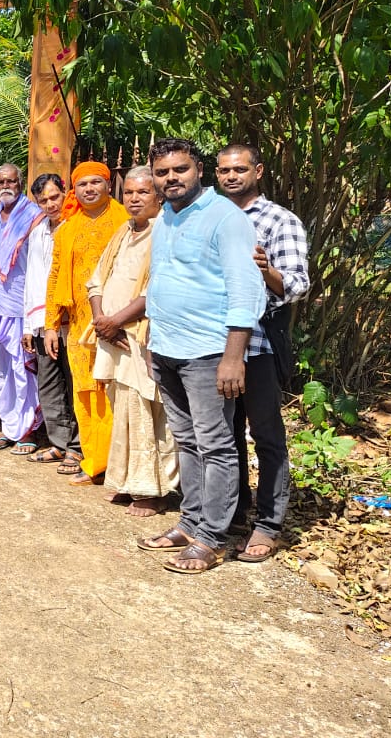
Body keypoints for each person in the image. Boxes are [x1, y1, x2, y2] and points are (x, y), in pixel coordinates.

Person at [137, 138, 265, 574]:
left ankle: (212, 537)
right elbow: (163, 280)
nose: (171, 178)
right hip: (167, 349)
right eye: (162, 172)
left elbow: (245, 288)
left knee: (216, 444)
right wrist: (153, 338)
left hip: (208, 353)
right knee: (187, 440)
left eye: (180, 170)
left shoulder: (225, 218)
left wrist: (233, 356)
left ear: (199, 171)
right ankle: (190, 523)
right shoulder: (166, 217)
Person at [217, 144, 310, 561]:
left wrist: (264, 269)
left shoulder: (279, 220)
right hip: (214, 344)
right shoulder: (214, 217)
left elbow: (297, 285)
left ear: (258, 171)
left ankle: (269, 524)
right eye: (224, 170)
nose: (231, 176)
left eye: (239, 169)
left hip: (258, 345)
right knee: (225, 433)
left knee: (266, 434)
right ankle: (234, 513)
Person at [86, 166, 179, 515]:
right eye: (129, 192)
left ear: (158, 197)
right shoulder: (123, 232)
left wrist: (116, 322)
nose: (134, 199)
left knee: (147, 411)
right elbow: (97, 281)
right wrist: (101, 321)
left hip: (140, 336)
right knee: (122, 407)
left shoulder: (164, 233)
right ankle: (126, 481)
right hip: (112, 336)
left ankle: (152, 489)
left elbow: (155, 289)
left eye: (143, 192)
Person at [44, 163, 129, 481]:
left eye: (96, 182)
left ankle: (119, 465)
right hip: (80, 325)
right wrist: (51, 324)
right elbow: (55, 277)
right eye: (83, 184)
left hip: (123, 322)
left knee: (116, 391)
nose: (89, 189)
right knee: (85, 391)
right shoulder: (67, 229)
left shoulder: (126, 221)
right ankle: (95, 461)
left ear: (108, 185)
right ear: (74, 190)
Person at [0, 164, 45, 453]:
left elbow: (38, 266)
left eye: (11, 181)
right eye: (1, 182)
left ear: (20, 184)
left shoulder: (34, 217)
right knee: (1, 372)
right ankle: (10, 426)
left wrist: (32, 318)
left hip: (20, 309)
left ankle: (28, 430)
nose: (6, 186)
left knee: (23, 372)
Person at [22, 174, 81, 469]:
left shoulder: (77, 227)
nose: (50, 204)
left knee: (74, 383)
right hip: (41, 322)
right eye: (43, 200)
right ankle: (60, 443)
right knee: (49, 384)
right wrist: (28, 324)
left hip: (71, 321)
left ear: (65, 193)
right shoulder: (38, 233)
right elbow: (31, 279)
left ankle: (79, 447)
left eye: (54, 197)